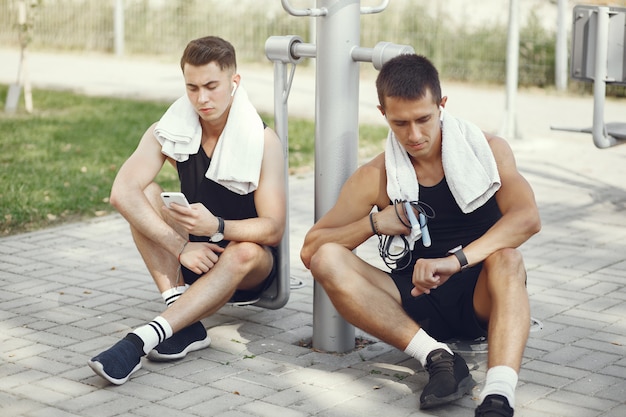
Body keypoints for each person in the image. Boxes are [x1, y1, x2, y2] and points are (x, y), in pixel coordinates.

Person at [300, 54, 540, 416]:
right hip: (412, 300)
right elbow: (311, 250)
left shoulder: (487, 152)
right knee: (327, 258)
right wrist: (376, 223)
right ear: (383, 115)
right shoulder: (377, 175)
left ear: (442, 105)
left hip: (480, 295)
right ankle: (436, 357)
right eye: (400, 123)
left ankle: (498, 395)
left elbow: (527, 218)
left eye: (424, 119)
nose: (414, 135)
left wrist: (455, 262)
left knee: (508, 258)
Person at [88, 36, 286, 385]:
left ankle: (142, 339)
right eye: (192, 88)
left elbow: (273, 229)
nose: (201, 99)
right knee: (143, 194)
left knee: (244, 252)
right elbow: (122, 192)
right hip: (193, 256)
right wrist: (182, 247)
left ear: (234, 82)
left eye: (212, 86)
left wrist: (218, 225)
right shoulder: (172, 129)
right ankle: (184, 319)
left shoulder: (262, 140)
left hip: (249, 265)